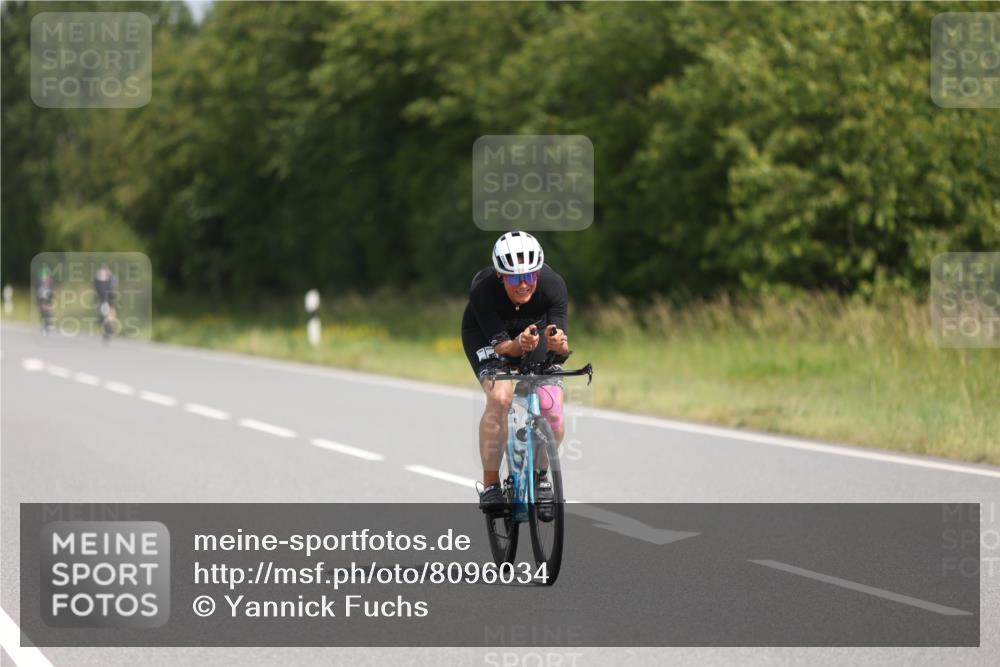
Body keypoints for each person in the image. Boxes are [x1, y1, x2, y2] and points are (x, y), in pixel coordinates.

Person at [461, 231, 571, 515]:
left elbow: (561, 344)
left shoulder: (553, 285)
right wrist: (518, 344)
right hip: (488, 338)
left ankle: (541, 477)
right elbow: (504, 349)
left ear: (538, 273)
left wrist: (559, 344)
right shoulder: (483, 290)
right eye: (514, 278)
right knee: (500, 397)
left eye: (530, 276)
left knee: (553, 408)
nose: (523, 284)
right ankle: (491, 487)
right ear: (500, 276)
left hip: (531, 335)